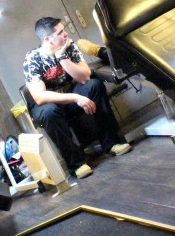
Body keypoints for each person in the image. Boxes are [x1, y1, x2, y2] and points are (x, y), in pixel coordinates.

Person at [22, 16, 130, 179]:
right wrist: (75, 97)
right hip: (49, 104)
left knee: (94, 85)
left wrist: (62, 58)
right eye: (60, 32)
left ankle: (111, 144)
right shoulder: (33, 59)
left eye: (64, 30)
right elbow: (39, 97)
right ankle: (77, 164)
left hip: (70, 95)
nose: (65, 34)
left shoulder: (69, 46)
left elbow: (85, 76)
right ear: (48, 39)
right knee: (49, 112)